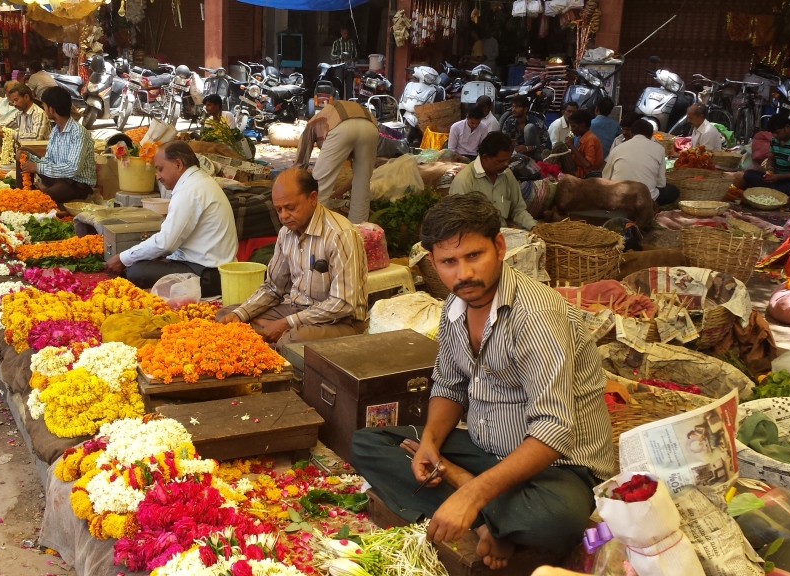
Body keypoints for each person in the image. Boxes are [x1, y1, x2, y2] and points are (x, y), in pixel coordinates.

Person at [351, 193, 613, 569]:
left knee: (555, 520)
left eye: (474, 256)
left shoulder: (535, 316)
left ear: (500, 246)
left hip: (558, 469)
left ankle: (475, 505)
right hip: (488, 448)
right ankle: (496, 523)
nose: (463, 274)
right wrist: (430, 443)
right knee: (368, 442)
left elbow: (553, 432)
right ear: (434, 263)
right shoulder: (455, 308)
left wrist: (471, 491)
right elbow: (448, 385)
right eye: (448, 262)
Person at [216, 168, 368, 346]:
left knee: (291, 340)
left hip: (341, 321)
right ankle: (268, 333)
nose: (284, 216)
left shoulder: (341, 235)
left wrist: (286, 323)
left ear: (312, 198)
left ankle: (271, 334)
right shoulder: (285, 233)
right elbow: (273, 288)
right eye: (278, 210)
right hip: (296, 310)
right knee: (227, 315)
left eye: (290, 208)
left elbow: (342, 304)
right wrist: (241, 314)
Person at [103, 141, 238, 296]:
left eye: (160, 169)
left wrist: (123, 258)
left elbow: (166, 243)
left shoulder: (190, 190)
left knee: (136, 271)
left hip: (208, 274)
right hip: (209, 268)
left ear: (178, 164)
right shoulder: (198, 181)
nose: (157, 176)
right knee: (139, 258)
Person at [294, 99, 378, 224]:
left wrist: (294, 186)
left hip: (342, 123)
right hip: (371, 126)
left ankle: (313, 230)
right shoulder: (326, 117)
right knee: (362, 185)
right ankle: (358, 233)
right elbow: (358, 175)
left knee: (320, 185)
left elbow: (300, 162)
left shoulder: (311, 124)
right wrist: (339, 192)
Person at [19, 86, 97, 205]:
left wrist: (37, 167)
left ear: (51, 109)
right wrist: (29, 158)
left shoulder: (78, 133)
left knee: (46, 195)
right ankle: (31, 190)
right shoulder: (55, 130)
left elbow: (73, 169)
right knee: (23, 153)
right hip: (60, 178)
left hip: (77, 184)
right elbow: (49, 160)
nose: (43, 109)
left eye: (44, 106)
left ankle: (45, 191)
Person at [448, 132, 536, 230]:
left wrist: (534, 227)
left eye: (508, 159)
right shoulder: (464, 180)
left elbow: (518, 210)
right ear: (485, 158)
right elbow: (460, 223)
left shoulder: (507, 174)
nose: (506, 164)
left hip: (503, 235)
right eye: (500, 161)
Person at [602, 119, 679, 205]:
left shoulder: (617, 148)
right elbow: (661, 184)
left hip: (618, 198)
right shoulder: (659, 149)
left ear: (631, 133)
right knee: (673, 190)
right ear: (651, 136)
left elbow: (606, 177)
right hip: (646, 199)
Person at [734, 114, 790, 201]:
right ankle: (774, 190)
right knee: (749, 174)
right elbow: (771, 159)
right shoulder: (775, 140)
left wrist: (779, 177)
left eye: (777, 132)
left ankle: (772, 190)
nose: (774, 135)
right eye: (773, 133)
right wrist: (770, 169)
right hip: (775, 180)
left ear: (787, 127)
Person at [500, 95, 550, 160]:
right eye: (513, 106)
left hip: (536, 153)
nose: (514, 109)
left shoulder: (536, 122)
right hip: (519, 154)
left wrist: (529, 148)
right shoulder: (509, 122)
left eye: (517, 107)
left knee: (529, 127)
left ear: (525, 109)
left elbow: (547, 144)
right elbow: (504, 141)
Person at [565, 109, 603, 178]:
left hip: (587, 178)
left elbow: (587, 164)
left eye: (574, 126)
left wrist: (571, 146)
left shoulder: (591, 139)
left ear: (583, 125)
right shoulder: (584, 138)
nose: (572, 130)